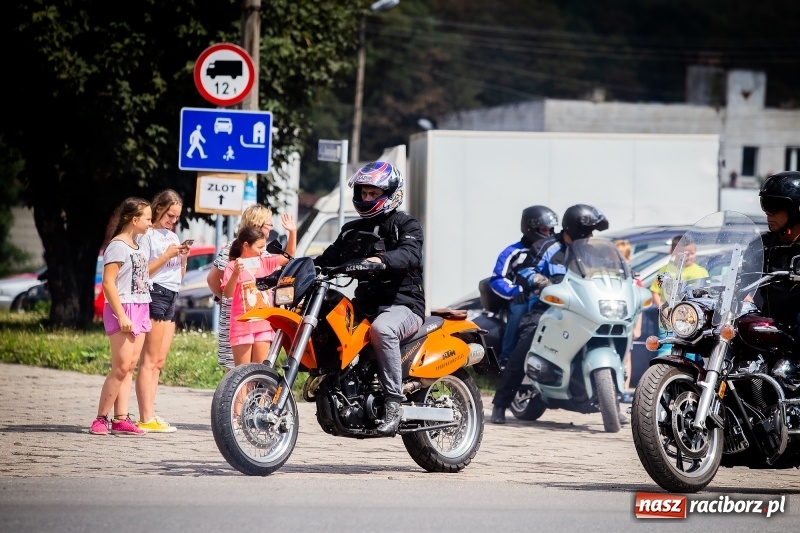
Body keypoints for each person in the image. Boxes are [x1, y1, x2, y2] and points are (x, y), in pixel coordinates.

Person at [313, 161, 424, 437]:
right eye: (363, 193)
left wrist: (378, 261)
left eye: (373, 194)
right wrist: (290, 269)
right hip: (367, 305)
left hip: (403, 305)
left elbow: (409, 254)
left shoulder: (405, 224)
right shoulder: (351, 231)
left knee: (382, 329)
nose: (366, 198)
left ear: (391, 193)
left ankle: (394, 405)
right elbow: (327, 260)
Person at [491, 204, 609, 425]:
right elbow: (526, 270)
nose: (592, 237)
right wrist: (540, 281)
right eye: (588, 232)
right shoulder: (547, 246)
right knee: (525, 346)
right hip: (546, 309)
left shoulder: (590, 252)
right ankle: (500, 404)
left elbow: (608, 273)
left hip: (580, 311)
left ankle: (607, 402)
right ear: (576, 231)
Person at [89, 197, 153, 436]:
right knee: (121, 367)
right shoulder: (117, 245)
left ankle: (121, 418)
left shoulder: (138, 244)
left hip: (141, 306)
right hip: (122, 308)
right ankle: (100, 418)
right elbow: (108, 283)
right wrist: (121, 315)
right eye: (147, 218)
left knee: (130, 367)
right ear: (134, 219)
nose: (150, 222)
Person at [206, 206, 297, 369]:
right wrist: (228, 298)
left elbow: (288, 257)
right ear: (257, 225)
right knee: (236, 372)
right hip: (238, 320)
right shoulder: (232, 251)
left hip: (261, 322)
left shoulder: (263, 255)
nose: (271, 228)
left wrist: (292, 232)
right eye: (268, 224)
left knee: (259, 371)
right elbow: (214, 280)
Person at [134, 190, 187, 433]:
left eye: (176, 217)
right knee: (149, 359)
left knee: (160, 361)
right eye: (170, 215)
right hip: (155, 293)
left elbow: (179, 276)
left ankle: (150, 414)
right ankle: (145, 417)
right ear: (159, 209)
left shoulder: (173, 237)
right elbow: (144, 273)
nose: (173, 220)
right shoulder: (149, 236)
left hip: (172, 294)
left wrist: (183, 257)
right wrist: (167, 255)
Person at [489, 206, 558, 367]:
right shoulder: (513, 252)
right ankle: (507, 357)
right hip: (520, 297)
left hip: (546, 295)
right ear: (531, 228)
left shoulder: (553, 250)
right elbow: (497, 279)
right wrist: (515, 291)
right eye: (544, 229)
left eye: (551, 230)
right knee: (520, 310)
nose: (549, 234)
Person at [755, 170, 800, 338]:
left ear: (796, 210)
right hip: (765, 320)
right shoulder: (762, 244)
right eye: (765, 204)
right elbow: (739, 278)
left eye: (774, 206)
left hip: (793, 326)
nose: (768, 212)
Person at [649, 235, 709, 356]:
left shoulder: (701, 272)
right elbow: (655, 291)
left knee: (690, 351)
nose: (687, 257)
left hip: (691, 320)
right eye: (682, 253)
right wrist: (663, 309)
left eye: (691, 253)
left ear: (696, 253)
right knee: (666, 349)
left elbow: (706, 295)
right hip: (668, 320)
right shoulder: (665, 270)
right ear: (672, 252)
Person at [614, 239, 643, 403]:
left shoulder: (634, 279)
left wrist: (637, 327)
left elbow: (640, 305)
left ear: (628, 259)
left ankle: (624, 389)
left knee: (626, 357)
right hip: (610, 322)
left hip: (627, 323)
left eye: (622, 258)